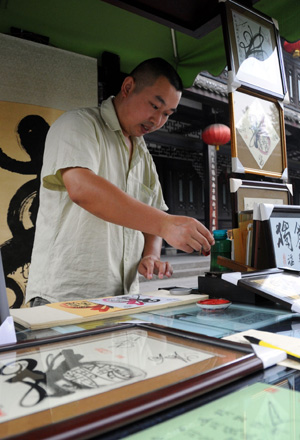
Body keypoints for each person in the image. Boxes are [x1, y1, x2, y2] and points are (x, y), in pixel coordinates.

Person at [26, 57, 214, 306]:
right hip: (66, 294)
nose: (157, 121)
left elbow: (153, 213)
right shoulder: (78, 124)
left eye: (167, 114)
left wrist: (151, 255)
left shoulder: (142, 153)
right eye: (154, 106)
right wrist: (166, 224)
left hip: (123, 297)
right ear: (127, 88)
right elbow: (82, 188)